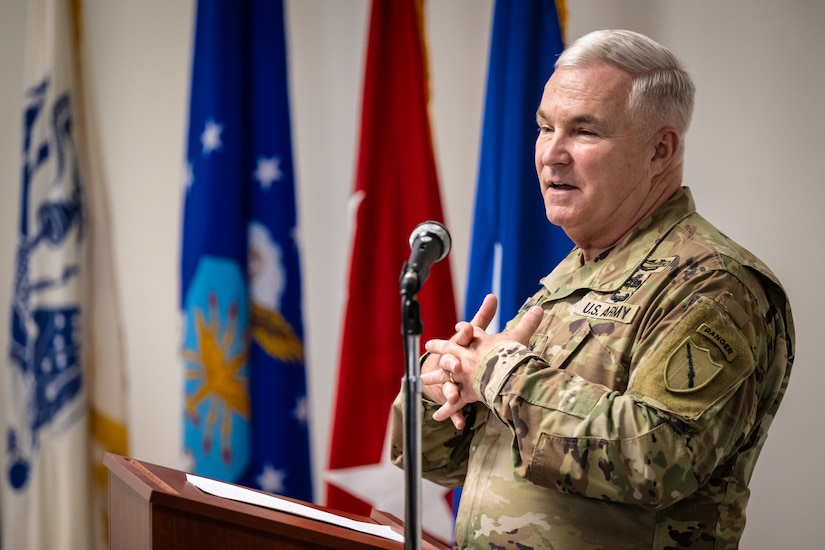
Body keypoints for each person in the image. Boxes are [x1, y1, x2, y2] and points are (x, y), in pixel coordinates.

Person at [390, 29, 794, 549]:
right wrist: (442, 390)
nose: (551, 154)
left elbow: (655, 459)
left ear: (660, 150)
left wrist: (496, 370)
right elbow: (453, 464)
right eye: (544, 128)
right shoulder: (569, 278)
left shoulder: (713, 282)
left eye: (584, 132)